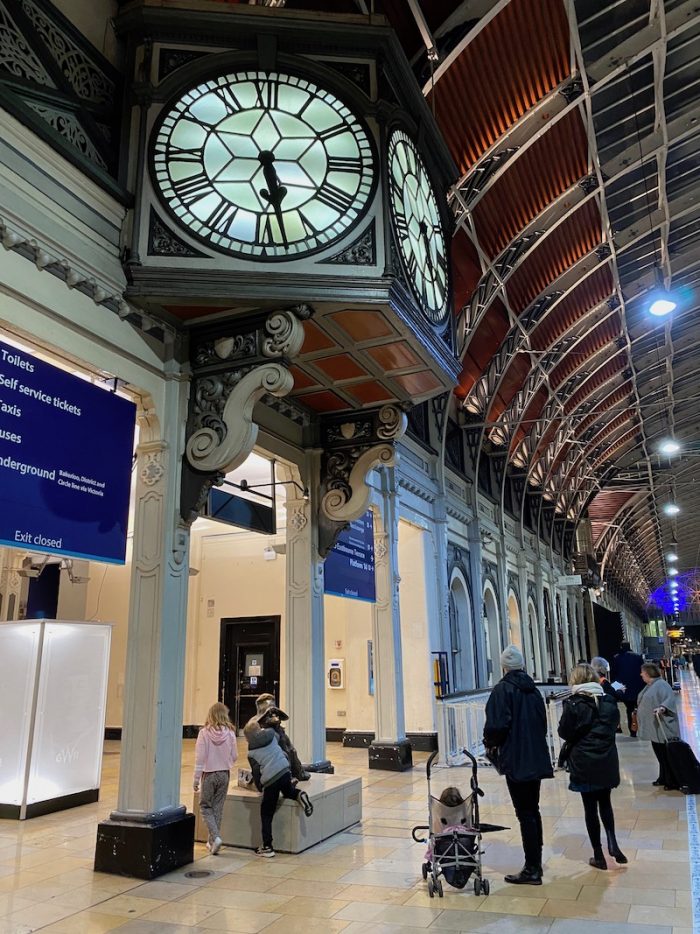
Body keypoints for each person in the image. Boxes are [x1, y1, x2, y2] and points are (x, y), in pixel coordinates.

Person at [483, 645, 553, 886]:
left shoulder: (502, 690)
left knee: (525, 813)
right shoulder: (533, 691)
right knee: (533, 810)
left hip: (516, 759)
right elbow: (542, 723)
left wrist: (490, 744)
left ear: (504, 666)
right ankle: (536, 861)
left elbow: (496, 726)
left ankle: (532, 869)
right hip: (535, 756)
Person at [558, 663, 626, 870]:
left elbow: (564, 732)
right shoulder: (609, 701)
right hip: (606, 758)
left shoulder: (574, 704)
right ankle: (612, 842)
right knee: (605, 803)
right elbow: (613, 726)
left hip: (584, 761)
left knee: (590, 808)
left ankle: (598, 854)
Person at [245, 716, 314, 858]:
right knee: (288, 791)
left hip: (271, 779)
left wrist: (260, 787)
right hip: (284, 770)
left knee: (266, 813)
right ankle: (299, 794)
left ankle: (267, 846)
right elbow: (282, 751)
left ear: (248, 738)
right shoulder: (272, 735)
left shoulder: (251, 752)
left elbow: (257, 772)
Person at [193, 702, 238, 855]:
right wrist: (225, 762)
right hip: (224, 774)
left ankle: (216, 837)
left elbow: (200, 758)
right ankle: (212, 841)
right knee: (218, 807)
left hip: (209, 774)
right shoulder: (231, 733)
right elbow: (235, 756)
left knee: (205, 807)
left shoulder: (204, 733)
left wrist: (196, 779)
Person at [636, 661, 680, 790]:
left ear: (649, 673)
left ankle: (671, 780)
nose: (641, 675)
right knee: (660, 755)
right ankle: (663, 777)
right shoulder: (650, 685)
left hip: (663, 728)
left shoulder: (661, 685)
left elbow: (669, 699)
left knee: (666, 755)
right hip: (655, 728)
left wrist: (662, 708)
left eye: (642, 672)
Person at [255, 693, 310, 781]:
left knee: (291, 750)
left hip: (279, 735)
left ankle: (298, 772)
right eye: (270, 714)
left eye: (275, 714)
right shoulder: (263, 733)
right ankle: (287, 777)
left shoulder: (280, 732)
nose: (275, 717)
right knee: (281, 755)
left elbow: (291, 751)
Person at [611, 641, 644, 736]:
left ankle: (630, 730)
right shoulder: (638, 657)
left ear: (621, 647)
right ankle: (638, 729)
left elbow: (614, 675)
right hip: (637, 688)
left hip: (623, 689)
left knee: (628, 709)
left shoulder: (617, 658)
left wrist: (616, 688)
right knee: (637, 708)